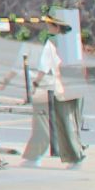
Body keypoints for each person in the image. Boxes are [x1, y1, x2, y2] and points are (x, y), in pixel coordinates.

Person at [21, 17, 72, 167]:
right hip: (64, 88)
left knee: (41, 124)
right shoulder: (69, 42)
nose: (47, 28)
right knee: (64, 124)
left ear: (55, 27)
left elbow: (43, 68)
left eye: (49, 25)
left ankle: (33, 157)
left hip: (49, 88)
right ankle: (74, 156)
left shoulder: (51, 43)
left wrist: (35, 83)